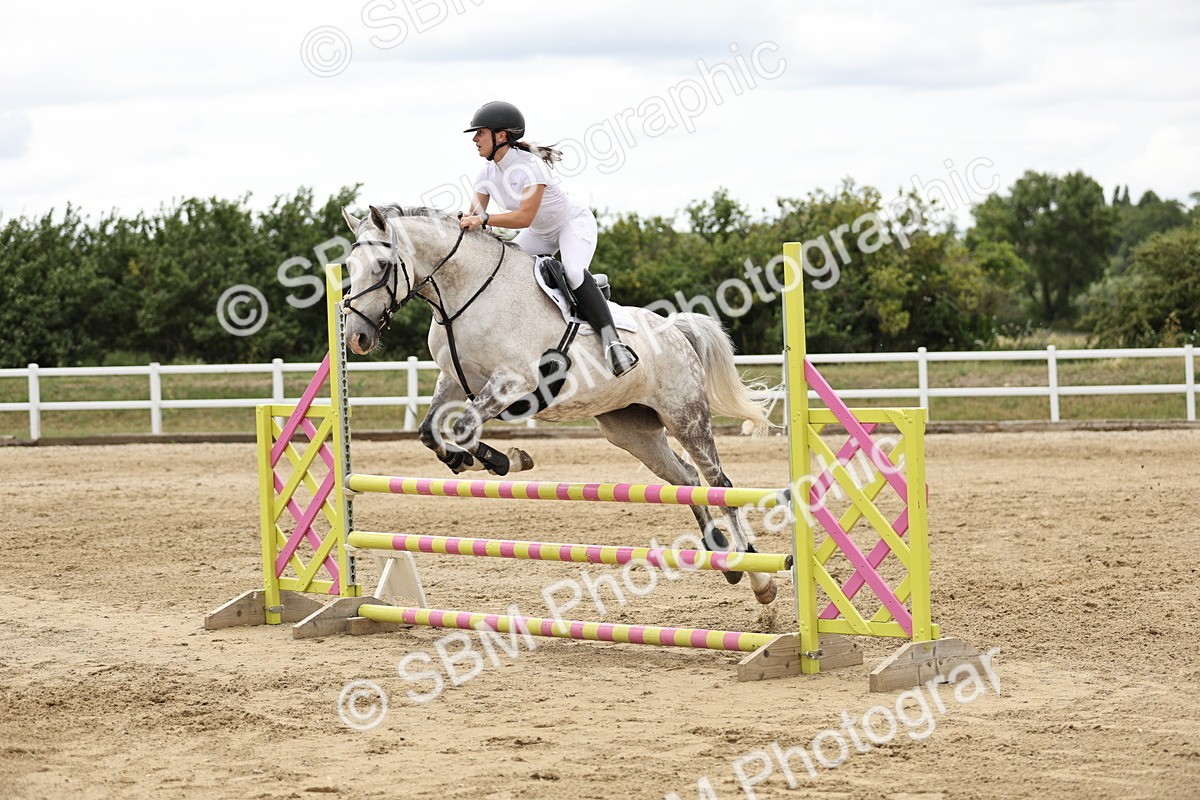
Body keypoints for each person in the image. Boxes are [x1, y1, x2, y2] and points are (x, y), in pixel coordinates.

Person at [458, 100, 639, 377]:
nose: (475, 139)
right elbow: (474, 213)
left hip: (570, 224)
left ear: (501, 136)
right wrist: (462, 221)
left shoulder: (531, 167)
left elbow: (524, 217)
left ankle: (613, 342)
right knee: (505, 274)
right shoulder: (487, 172)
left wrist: (483, 220)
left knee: (574, 273)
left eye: (480, 132)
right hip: (540, 234)